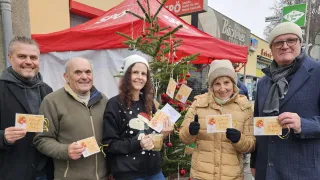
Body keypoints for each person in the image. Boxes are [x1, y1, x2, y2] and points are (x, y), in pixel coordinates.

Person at [250, 22, 320, 180]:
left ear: (300, 43)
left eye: (291, 40)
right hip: (266, 171)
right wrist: (254, 162)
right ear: (272, 48)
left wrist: (303, 124)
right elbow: (258, 125)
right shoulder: (263, 82)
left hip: (302, 171)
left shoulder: (317, 73)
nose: (285, 46)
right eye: (278, 42)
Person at [179, 59, 255, 180]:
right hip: (202, 175)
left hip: (231, 176)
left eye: (226, 82)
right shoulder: (198, 103)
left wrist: (239, 139)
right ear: (211, 86)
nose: (222, 88)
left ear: (233, 84)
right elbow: (183, 138)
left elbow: (251, 145)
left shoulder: (244, 107)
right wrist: (190, 131)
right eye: (217, 84)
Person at [34, 57, 108, 180]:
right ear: (66, 76)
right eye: (78, 72)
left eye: (88, 72)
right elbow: (42, 139)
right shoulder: (52, 101)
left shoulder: (103, 100)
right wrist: (65, 150)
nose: (84, 76)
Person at [102, 54, 167, 180]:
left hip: (153, 170)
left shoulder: (149, 102)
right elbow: (110, 144)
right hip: (128, 172)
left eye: (143, 74)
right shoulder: (114, 104)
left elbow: (154, 133)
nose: (140, 77)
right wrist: (139, 143)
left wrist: (164, 133)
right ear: (127, 75)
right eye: (135, 72)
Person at [0, 36, 53, 180]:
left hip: (44, 172)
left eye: (33, 57)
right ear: (10, 58)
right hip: (12, 172)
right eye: (22, 56)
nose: (28, 62)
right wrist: (3, 137)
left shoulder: (47, 90)